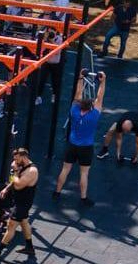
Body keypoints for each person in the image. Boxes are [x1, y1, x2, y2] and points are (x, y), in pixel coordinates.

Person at [53, 69, 106, 206]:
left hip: (72, 145)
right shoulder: (94, 115)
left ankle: (57, 192)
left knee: (65, 169)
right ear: (91, 106)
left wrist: (80, 78)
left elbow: (77, 94)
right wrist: (103, 82)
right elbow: (100, 97)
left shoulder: (74, 111)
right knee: (84, 173)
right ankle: (83, 198)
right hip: (86, 147)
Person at [0, 148, 39, 257]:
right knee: (24, 223)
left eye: (16, 159)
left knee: (11, 225)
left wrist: (15, 171)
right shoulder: (21, 165)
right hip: (18, 201)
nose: (15, 161)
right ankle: (29, 247)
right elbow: (14, 181)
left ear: (23, 157)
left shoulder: (31, 171)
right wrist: (6, 188)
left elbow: (18, 185)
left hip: (23, 204)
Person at [35, 28, 65, 105]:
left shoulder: (59, 39)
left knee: (55, 81)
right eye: (49, 30)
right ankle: (38, 96)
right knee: (41, 79)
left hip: (56, 63)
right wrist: (45, 40)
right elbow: (41, 49)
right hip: (46, 62)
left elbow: (57, 51)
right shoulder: (45, 38)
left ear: (55, 31)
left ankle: (54, 95)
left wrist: (51, 41)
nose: (51, 32)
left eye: (52, 30)